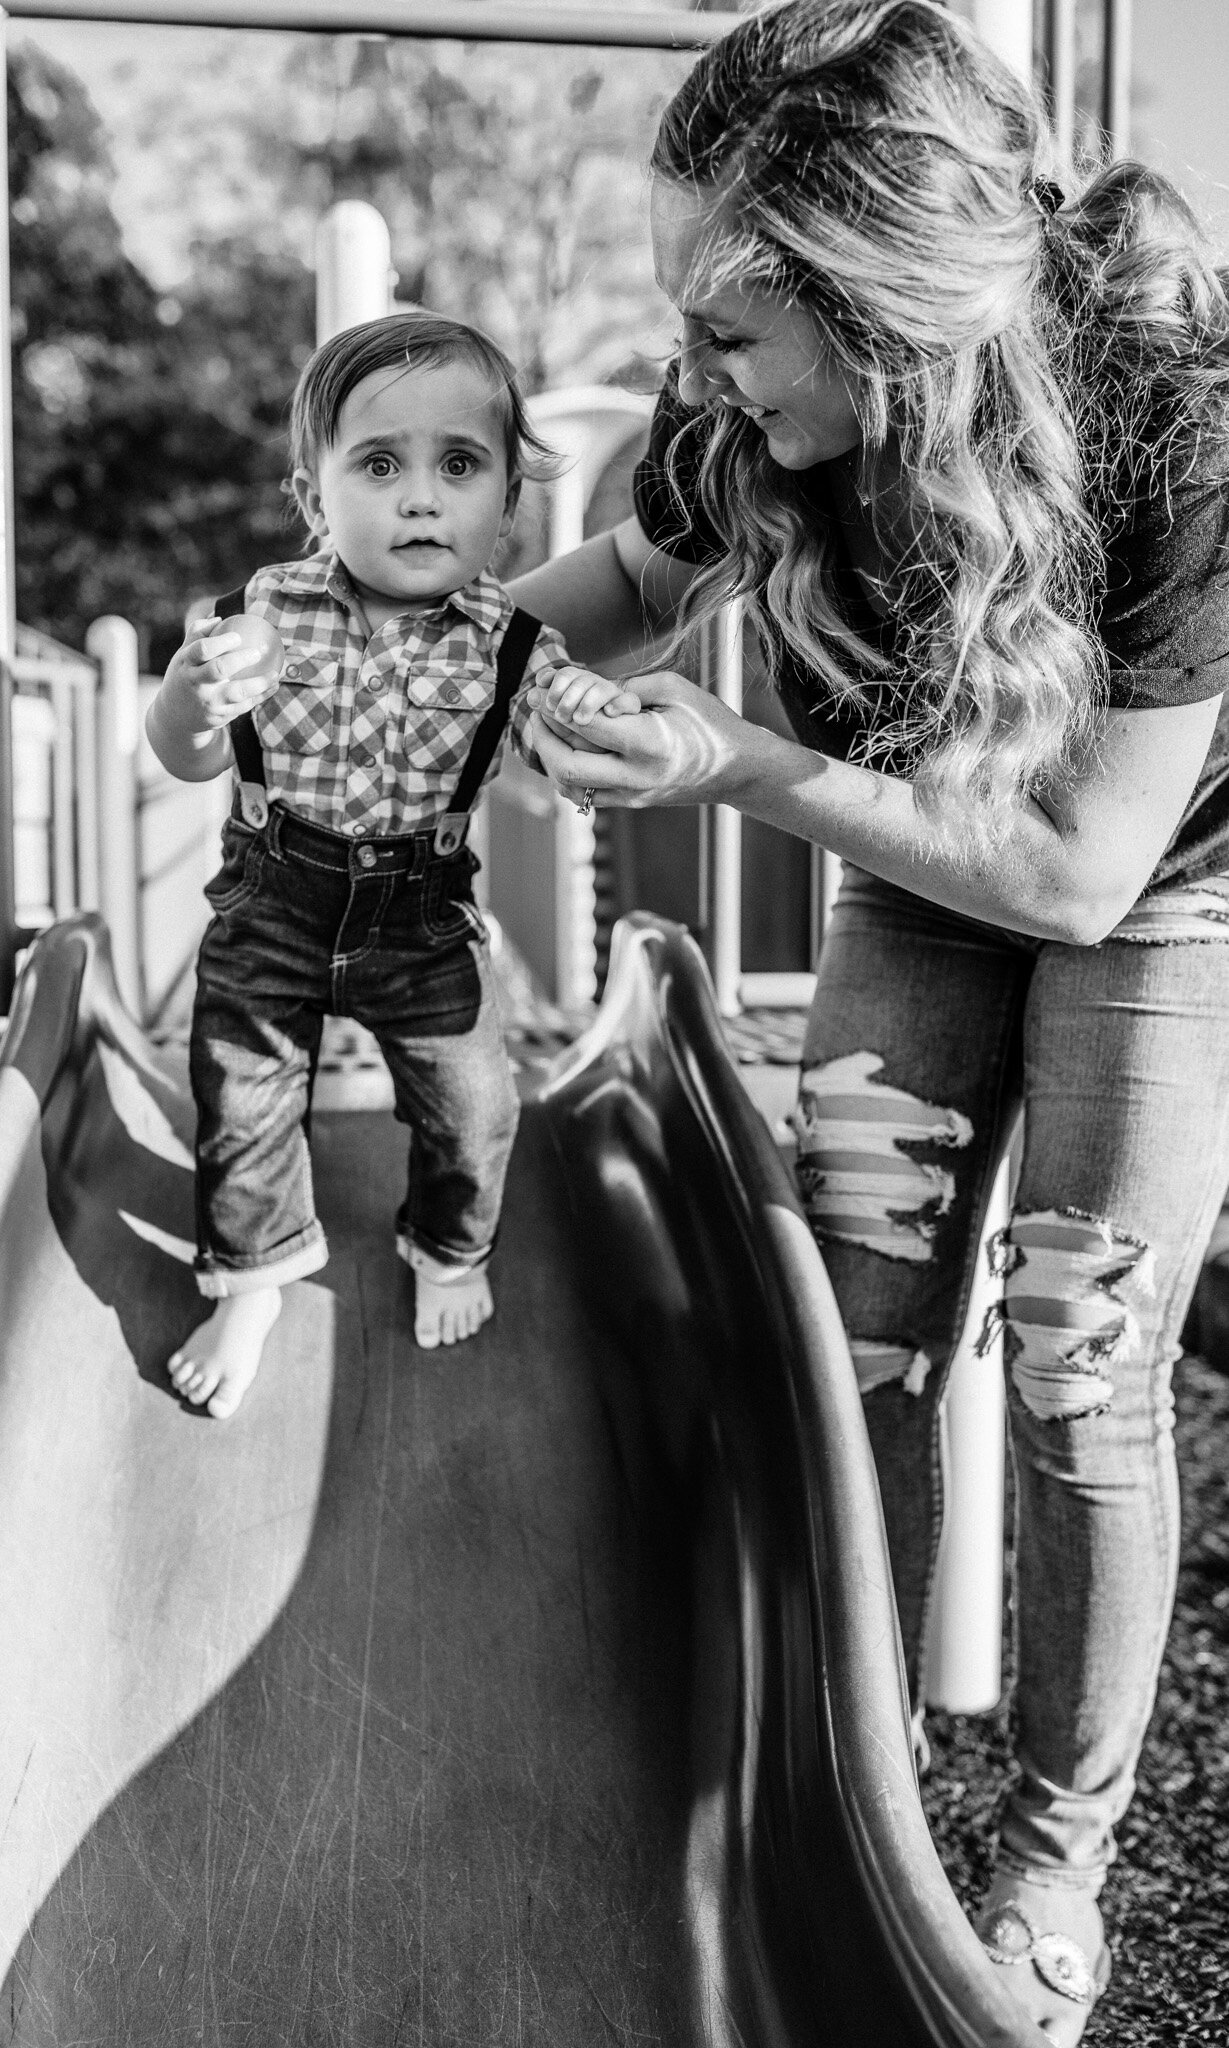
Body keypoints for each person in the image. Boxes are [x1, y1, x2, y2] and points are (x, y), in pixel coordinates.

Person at [514, 4, 1229, 2041]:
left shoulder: (1164, 403)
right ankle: (865, 1791)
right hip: (926, 855)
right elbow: (590, 602)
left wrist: (733, 765)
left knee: (1080, 1345)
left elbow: (1084, 873)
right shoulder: (750, 420)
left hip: (1160, 883)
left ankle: (1051, 1855)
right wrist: (337, 640)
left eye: (731, 325)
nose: (694, 369)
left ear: (880, 306)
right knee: (866, 1329)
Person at [146, 313, 635, 1418]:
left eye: (459, 465)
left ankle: (449, 1244)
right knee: (242, 1094)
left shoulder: (515, 644)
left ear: (507, 503)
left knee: (473, 1103)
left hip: (421, 911)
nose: (421, 497)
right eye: (378, 464)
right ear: (317, 499)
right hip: (276, 894)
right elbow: (181, 755)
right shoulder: (259, 616)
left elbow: (554, 736)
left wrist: (593, 721)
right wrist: (186, 697)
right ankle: (256, 1277)